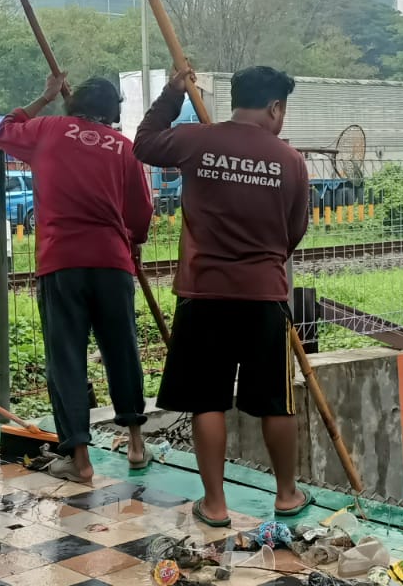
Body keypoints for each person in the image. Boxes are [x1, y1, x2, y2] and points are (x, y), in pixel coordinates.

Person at [133, 66, 311, 527]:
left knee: (207, 400)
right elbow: (294, 232)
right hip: (264, 297)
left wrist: (172, 96)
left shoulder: (198, 140)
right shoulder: (290, 161)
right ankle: (287, 494)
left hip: (203, 293)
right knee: (275, 400)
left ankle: (214, 505)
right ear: (275, 108)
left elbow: (145, 142)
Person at [0, 73, 155, 482]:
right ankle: (136, 444)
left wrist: (42, 98)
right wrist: (133, 241)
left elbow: (3, 131)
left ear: (71, 102)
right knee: (122, 350)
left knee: (66, 357)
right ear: (112, 112)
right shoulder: (123, 147)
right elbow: (141, 212)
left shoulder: (47, 130)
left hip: (61, 260)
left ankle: (80, 460)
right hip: (112, 261)